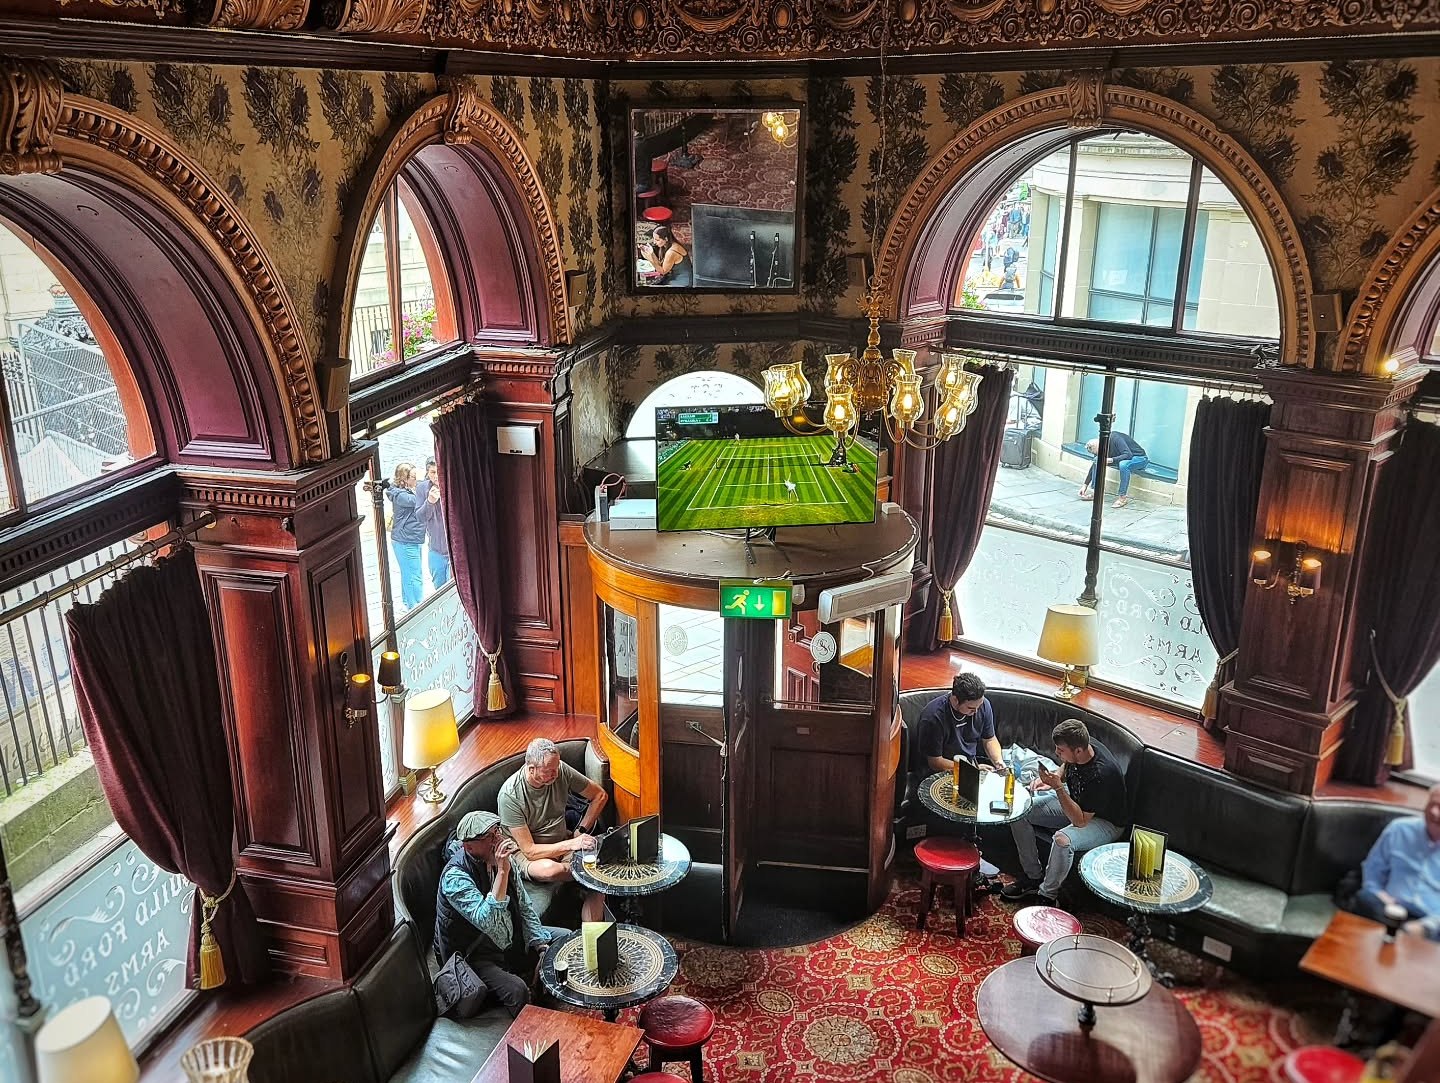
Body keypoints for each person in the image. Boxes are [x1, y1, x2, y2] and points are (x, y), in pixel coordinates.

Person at [432, 811, 567, 1018]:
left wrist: (539, 943)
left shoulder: (502, 860)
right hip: (474, 953)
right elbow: (488, 922)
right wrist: (502, 872)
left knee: (566, 939)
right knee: (516, 990)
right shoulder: (455, 878)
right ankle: (529, 1032)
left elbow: (523, 905)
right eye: (490, 837)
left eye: (497, 832)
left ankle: (553, 1000)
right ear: (469, 847)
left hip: (509, 933)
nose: (498, 840)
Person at [1004, 718, 1127, 905]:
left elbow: (1080, 821)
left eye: (1060, 751)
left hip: (1105, 821)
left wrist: (1058, 788)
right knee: (1019, 813)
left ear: (1078, 750)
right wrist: (1053, 778)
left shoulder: (1101, 775)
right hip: (1079, 804)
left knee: (1062, 840)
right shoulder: (1084, 743)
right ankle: (1033, 878)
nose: (1056, 753)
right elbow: (1067, 765)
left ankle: (1047, 896)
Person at [498, 738, 610, 922]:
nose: (555, 774)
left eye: (556, 768)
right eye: (549, 771)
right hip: (527, 854)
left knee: (597, 886)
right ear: (531, 768)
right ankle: (586, 875)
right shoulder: (510, 796)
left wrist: (580, 830)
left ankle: (593, 944)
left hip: (562, 843)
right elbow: (530, 851)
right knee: (550, 870)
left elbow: (599, 795)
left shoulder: (560, 771)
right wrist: (573, 843)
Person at [1355, 783, 1440, 940]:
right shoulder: (1399, 829)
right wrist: (1380, 895)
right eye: (1432, 804)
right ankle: (1403, 935)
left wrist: (1427, 926)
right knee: (1364, 897)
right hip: (1389, 909)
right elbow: (1372, 873)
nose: (1434, 812)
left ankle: (1402, 935)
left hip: (1430, 922)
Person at [915, 672, 1003, 774]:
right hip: (940, 771)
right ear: (955, 700)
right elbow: (935, 762)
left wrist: (998, 761)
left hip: (969, 765)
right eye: (971, 708)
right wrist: (972, 769)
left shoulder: (983, 705)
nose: (976, 711)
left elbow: (989, 739)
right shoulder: (933, 717)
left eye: (979, 706)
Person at [385, 462, 425, 609]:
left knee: (409, 573)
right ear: (404, 479)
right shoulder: (403, 497)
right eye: (414, 477)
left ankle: (409, 603)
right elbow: (420, 501)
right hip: (405, 540)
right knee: (414, 575)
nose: (417, 480)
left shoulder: (406, 491)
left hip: (411, 539)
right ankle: (417, 606)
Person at [1080, 432, 1149, 508]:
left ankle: (1123, 497)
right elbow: (1095, 464)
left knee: (1123, 465)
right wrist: (1085, 485)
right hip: (1122, 459)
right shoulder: (1100, 446)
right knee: (1097, 460)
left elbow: (1128, 455)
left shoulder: (1115, 438)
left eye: (1099, 452)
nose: (1100, 453)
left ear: (1101, 445)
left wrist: (1111, 460)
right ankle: (1096, 493)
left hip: (1139, 458)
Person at [416, 458, 450, 590]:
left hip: (453, 550)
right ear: (428, 473)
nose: (436, 476)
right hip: (436, 550)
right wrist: (429, 501)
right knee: (439, 588)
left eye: (438, 472)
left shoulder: (452, 485)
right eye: (432, 472)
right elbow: (420, 517)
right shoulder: (422, 488)